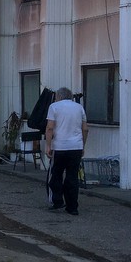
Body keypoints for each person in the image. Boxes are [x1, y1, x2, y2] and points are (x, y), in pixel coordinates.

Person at [45, 87, 88, 215]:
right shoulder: (79, 108)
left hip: (59, 147)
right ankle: (72, 207)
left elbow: (50, 128)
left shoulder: (54, 107)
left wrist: (48, 146)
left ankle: (57, 200)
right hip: (76, 147)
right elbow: (85, 129)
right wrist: (82, 145)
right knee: (72, 177)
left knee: (55, 175)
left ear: (58, 96)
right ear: (71, 96)